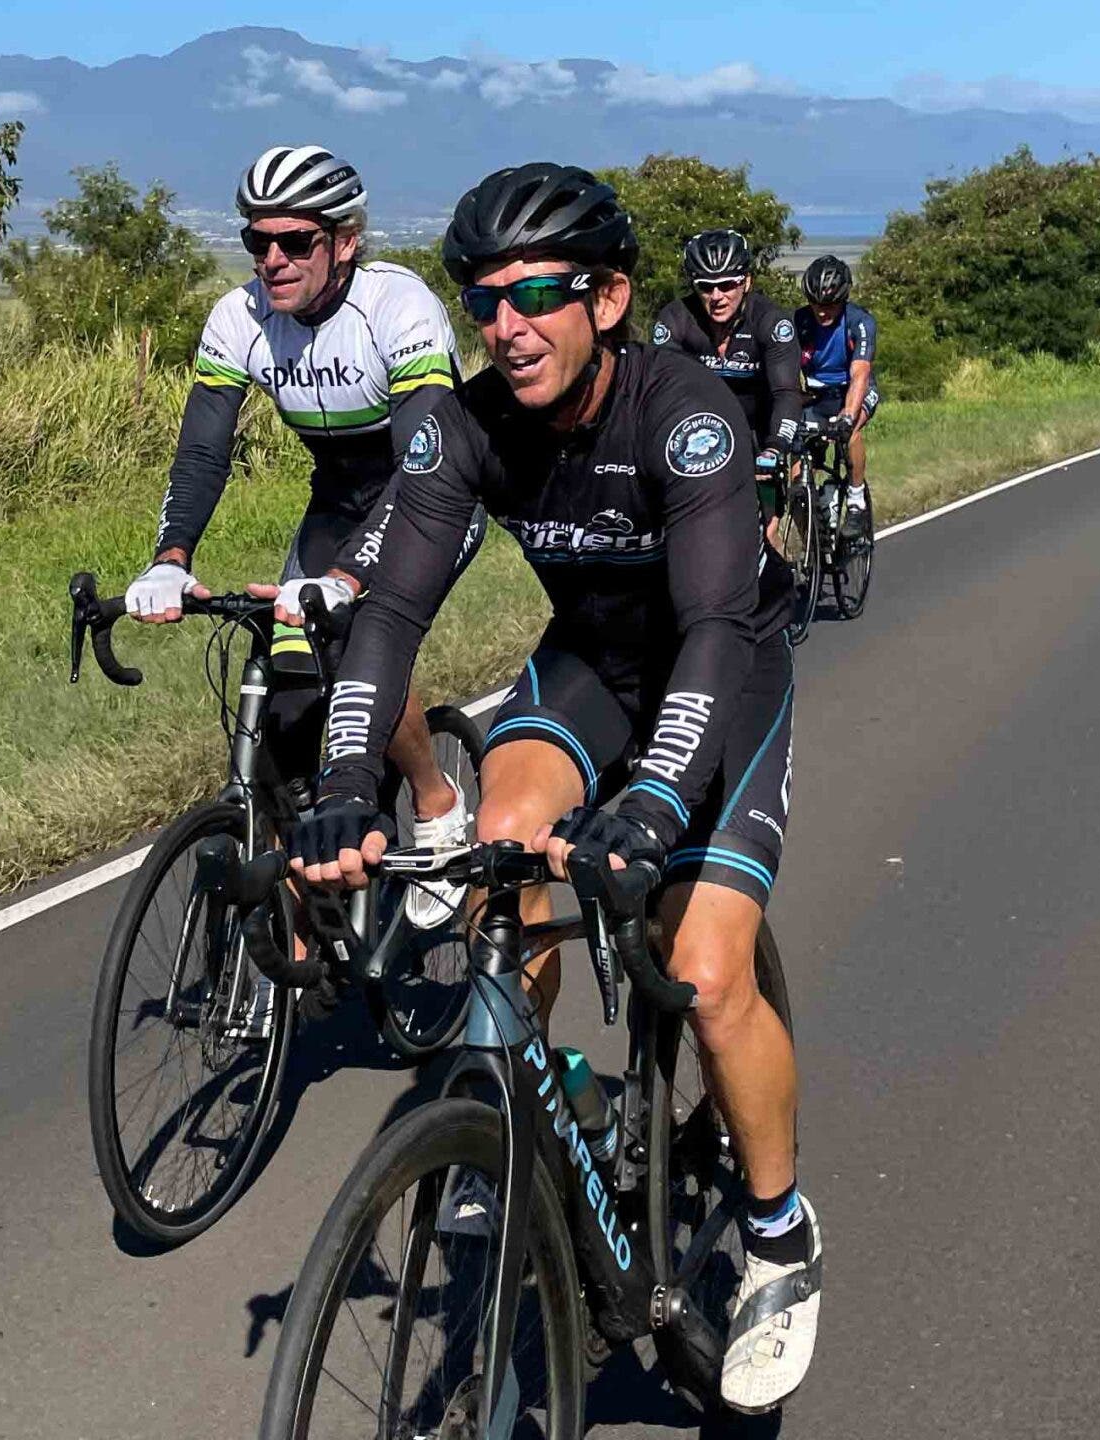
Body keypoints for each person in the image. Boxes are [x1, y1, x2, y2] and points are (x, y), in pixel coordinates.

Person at [286, 163, 821, 1414]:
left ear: (610, 299)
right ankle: (520, 1106)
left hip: (720, 665)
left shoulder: (683, 414)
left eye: (537, 296)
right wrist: (347, 784)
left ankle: (783, 1235)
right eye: (484, 301)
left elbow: (709, 629)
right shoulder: (465, 426)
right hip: (586, 662)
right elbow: (390, 614)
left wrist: (648, 809)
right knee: (503, 842)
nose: (507, 326)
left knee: (702, 966)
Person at [125, 143, 480, 928]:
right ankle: (303, 917)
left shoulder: (398, 306)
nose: (274, 261)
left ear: (345, 242)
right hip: (335, 502)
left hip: (428, 496)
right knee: (288, 694)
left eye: (296, 242)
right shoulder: (238, 317)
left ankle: (434, 799)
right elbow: (202, 452)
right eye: (258, 242)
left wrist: (349, 580)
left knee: (364, 645)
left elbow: (423, 468)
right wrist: (169, 558)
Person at [651, 229, 804, 523]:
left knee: (765, 525)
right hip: (702, 429)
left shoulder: (770, 322)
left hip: (761, 429)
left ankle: (771, 552)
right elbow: (660, 394)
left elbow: (786, 393)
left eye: (727, 285)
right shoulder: (676, 319)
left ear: (746, 282)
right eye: (706, 287)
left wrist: (775, 447)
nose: (717, 297)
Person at [796, 254, 878, 536]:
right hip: (817, 394)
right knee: (797, 452)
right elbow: (782, 369)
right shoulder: (799, 321)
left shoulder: (860, 322)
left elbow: (860, 375)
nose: (821, 312)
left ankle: (856, 502)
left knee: (849, 431)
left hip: (853, 391)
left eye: (829, 305)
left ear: (843, 299)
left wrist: (847, 415)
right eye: (816, 304)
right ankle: (814, 535)